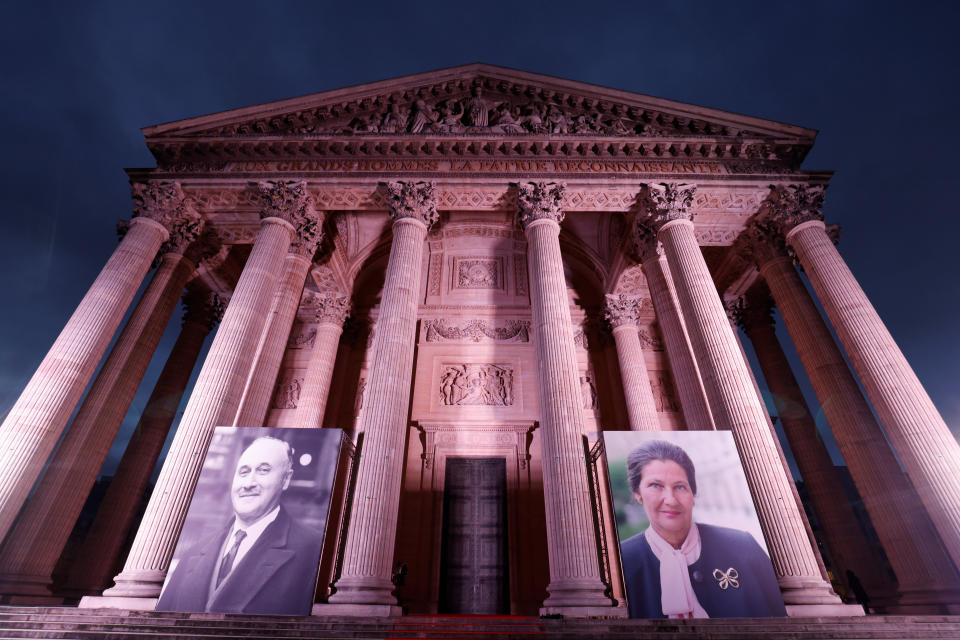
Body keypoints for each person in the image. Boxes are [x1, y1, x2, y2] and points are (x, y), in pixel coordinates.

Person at [619, 439, 786, 619]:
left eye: (680, 487)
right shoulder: (622, 562)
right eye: (656, 486)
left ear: (693, 494)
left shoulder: (744, 547)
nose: (671, 500)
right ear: (637, 494)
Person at [157, 436, 323, 615]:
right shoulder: (193, 552)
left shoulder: (314, 550)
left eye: (263, 470)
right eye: (243, 472)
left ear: (286, 479)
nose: (248, 484)